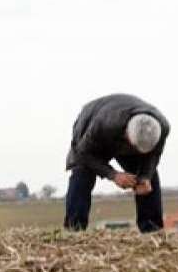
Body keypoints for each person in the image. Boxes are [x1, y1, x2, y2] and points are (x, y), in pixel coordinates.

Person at [64, 94, 170, 233]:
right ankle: (74, 228)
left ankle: (152, 229)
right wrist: (113, 175)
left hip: (120, 130)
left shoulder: (163, 128)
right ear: (127, 135)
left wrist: (145, 176)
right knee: (82, 174)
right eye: (136, 147)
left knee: (147, 179)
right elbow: (83, 153)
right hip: (91, 129)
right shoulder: (103, 125)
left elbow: (154, 155)